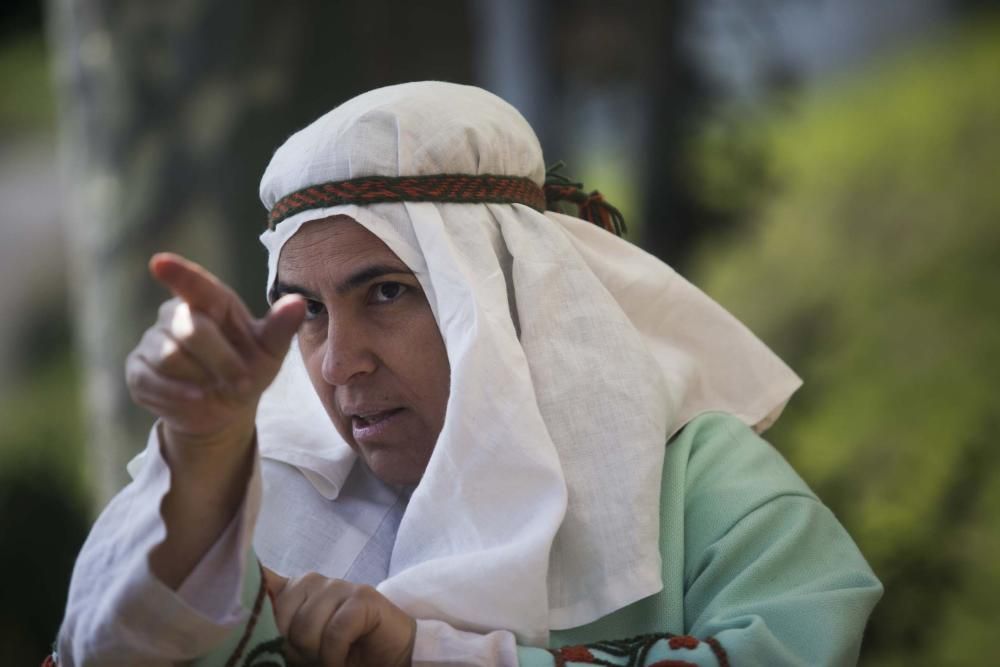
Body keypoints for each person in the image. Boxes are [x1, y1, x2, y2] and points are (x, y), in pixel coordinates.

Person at [53, 81, 882, 667]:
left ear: (509, 291)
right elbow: (103, 646)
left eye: (387, 292)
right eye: (307, 310)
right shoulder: (242, 484)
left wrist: (423, 652)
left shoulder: (701, 486)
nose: (340, 363)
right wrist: (199, 451)